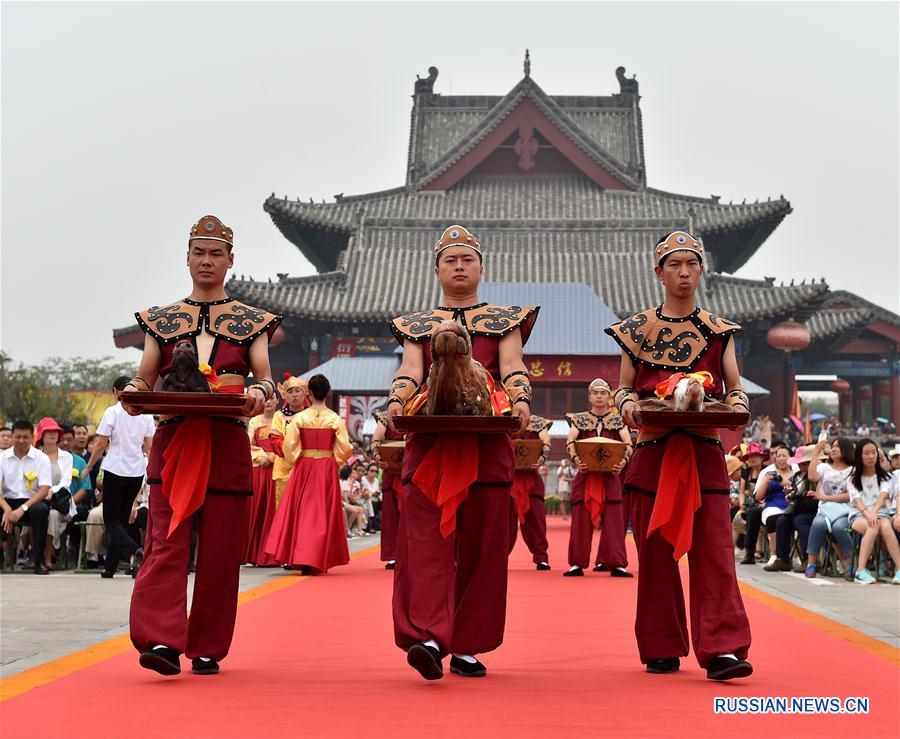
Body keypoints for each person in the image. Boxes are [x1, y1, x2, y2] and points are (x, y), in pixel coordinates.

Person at [126, 214, 280, 677]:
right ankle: (161, 640)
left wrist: (259, 395)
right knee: (166, 544)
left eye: (216, 253)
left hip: (226, 441)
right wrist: (133, 393)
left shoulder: (252, 322)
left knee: (219, 550)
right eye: (199, 252)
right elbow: (145, 374)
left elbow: (266, 380)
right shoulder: (162, 319)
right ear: (186, 258)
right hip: (175, 438)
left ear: (231, 261)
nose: (207, 260)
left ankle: (208, 645)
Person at [386, 225, 537, 680]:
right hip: (430, 444)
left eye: (466, 259)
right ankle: (430, 636)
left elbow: (512, 368)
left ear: (481, 268)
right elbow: (411, 371)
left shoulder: (504, 321)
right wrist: (396, 401)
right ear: (436, 270)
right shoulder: (418, 326)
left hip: (487, 445)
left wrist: (521, 399)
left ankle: (469, 643)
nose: (458, 266)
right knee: (426, 546)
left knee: (484, 546)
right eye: (450, 260)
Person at [607, 231, 752, 681]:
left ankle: (724, 648)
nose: (684, 271)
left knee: (714, 553)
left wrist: (740, 404)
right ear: (659, 273)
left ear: (701, 270)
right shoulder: (637, 329)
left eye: (691, 263)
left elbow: (734, 388)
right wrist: (627, 405)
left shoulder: (720, 330)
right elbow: (624, 387)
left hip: (704, 450)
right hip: (653, 451)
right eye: (674, 264)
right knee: (655, 555)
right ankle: (661, 644)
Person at [264, 374, 352, 573]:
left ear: (309, 393)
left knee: (303, 511)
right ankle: (320, 556)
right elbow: (345, 448)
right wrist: (333, 459)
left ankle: (302, 555)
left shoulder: (300, 418)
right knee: (323, 511)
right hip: (327, 465)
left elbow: (289, 447)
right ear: (327, 393)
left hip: (305, 465)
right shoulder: (334, 418)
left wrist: (298, 459)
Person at [83, 377, 155, 579]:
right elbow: (149, 447)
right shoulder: (146, 414)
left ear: (116, 391)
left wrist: (88, 467)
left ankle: (135, 551)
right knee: (122, 521)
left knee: (112, 521)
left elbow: (100, 445)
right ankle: (110, 567)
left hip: (115, 469)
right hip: (136, 471)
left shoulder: (112, 412)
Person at [563, 379, 632, 577]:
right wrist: (576, 460)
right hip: (585, 475)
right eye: (596, 393)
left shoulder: (618, 420)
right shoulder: (580, 419)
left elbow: (627, 442)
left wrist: (623, 461)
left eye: (603, 393)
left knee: (614, 521)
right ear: (590, 396)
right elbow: (571, 440)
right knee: (580, 521)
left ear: (609, 396)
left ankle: (617, 563)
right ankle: (577, 563)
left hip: (610, 476)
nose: (599, 396)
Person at [0, 420, 52, 574]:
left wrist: (22, 509)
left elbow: (43, 490)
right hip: (8, 501)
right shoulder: (2, 458)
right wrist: (7, 509)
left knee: (41, 511)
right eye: (18, 437)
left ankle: (37, 561)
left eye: (25, 437)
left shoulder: (41, 458)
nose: (21, 441)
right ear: (12, 436)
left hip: (32, 502)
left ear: (32, 437)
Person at [847, 439, 900, 585]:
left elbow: (883, 496)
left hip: (880, 513)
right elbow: (857, 501)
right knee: (873, 526)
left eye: (874, 452)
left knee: (886, 527)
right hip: (858, 515)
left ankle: (899, 569)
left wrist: (873, 513)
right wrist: (868, 514)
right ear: (859, 456)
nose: (871, 456)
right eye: (866, 453)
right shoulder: (852, 478)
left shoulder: (886, 476)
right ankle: (861, 571)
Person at [805, 437, 854, 578]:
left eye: (838, 446)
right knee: (818, 524)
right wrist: (815, 452)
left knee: (840, 528)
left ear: (846, 450)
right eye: (832, 446)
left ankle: (850, 562)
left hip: (845, 511)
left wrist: (823, 497)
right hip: (825, 511)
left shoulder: (853, 470)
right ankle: (811, 564)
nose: (833, 449)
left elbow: (849, 496)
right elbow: (812, 477)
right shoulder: (824, 467)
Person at [509, 414, 553, 571]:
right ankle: (499, 556)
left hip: (531, 479)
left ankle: (541, 557)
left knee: (536, 521)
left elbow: (545, 441)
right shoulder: (503, 418)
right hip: (508, 479)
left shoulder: (538, 422)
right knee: (504, 523)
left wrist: (541, 459)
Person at [765, 445, 819, 572]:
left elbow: (814, 499)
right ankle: (783, 559)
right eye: (800, 463)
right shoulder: (796, 476)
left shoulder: (816, 476)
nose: (801, 465)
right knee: (782, 521)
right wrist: (790, 495)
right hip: (797, 509)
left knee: (800, 521)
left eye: (805, 462)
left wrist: (799, 498)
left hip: (812, 510)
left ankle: (808, 559)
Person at [33, 418, 76, 570]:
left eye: (55, 432)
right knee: (36, 511)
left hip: (60, 502)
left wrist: (51, 490)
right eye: (48, 432)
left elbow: (66, 481)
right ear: (41, 435)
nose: (52, 434)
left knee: (51, 515)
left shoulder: (67, 456)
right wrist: (41, 493)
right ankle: (33, 555)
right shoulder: (35, 455)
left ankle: (48, 557)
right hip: (38, 498)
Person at [245, 396, 278, 566]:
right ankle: (253, 554)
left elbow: (285, 444)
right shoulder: (254, 421)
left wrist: (273, 458)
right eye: (266, 399)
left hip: (277, 470)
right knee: (257, 510)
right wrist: (261, 457)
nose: (268, 402)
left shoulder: (281, 420)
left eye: (272, 399)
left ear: (278, 401)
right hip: (259, 469)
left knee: (274, 512)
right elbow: (247, 444)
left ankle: (273, 554)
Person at [751, 445, 794, 568]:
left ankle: (795, 556)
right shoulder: (768, 473)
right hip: (773, 506)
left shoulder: (796, 473)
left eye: (783, 456)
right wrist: (766, 481)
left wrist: (782, 482)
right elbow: (758, 497)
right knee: (774, 519)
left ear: (790, 458)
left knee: (793, 519)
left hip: (791, 506)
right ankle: (774, 554)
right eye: (778, 456)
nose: (780, 458)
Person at [371, 409, 404, 569]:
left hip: (415, 469)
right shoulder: (385, 416)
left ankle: (414, 553)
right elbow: (376, 439)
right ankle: (393, 555)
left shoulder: (419, 409)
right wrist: (378, 457)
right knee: (391, 515)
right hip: (391, 469)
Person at [269, 375, 309, 506]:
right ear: (285, 396)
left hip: (307, 468)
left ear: (305, 394)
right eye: (290, 392)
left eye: (298, 391)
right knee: (283, 508)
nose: (294, 395)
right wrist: (293, 453)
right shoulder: (279, 416)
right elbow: (275, 441)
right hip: (283, 470)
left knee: (305, 506)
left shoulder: (312, 415)